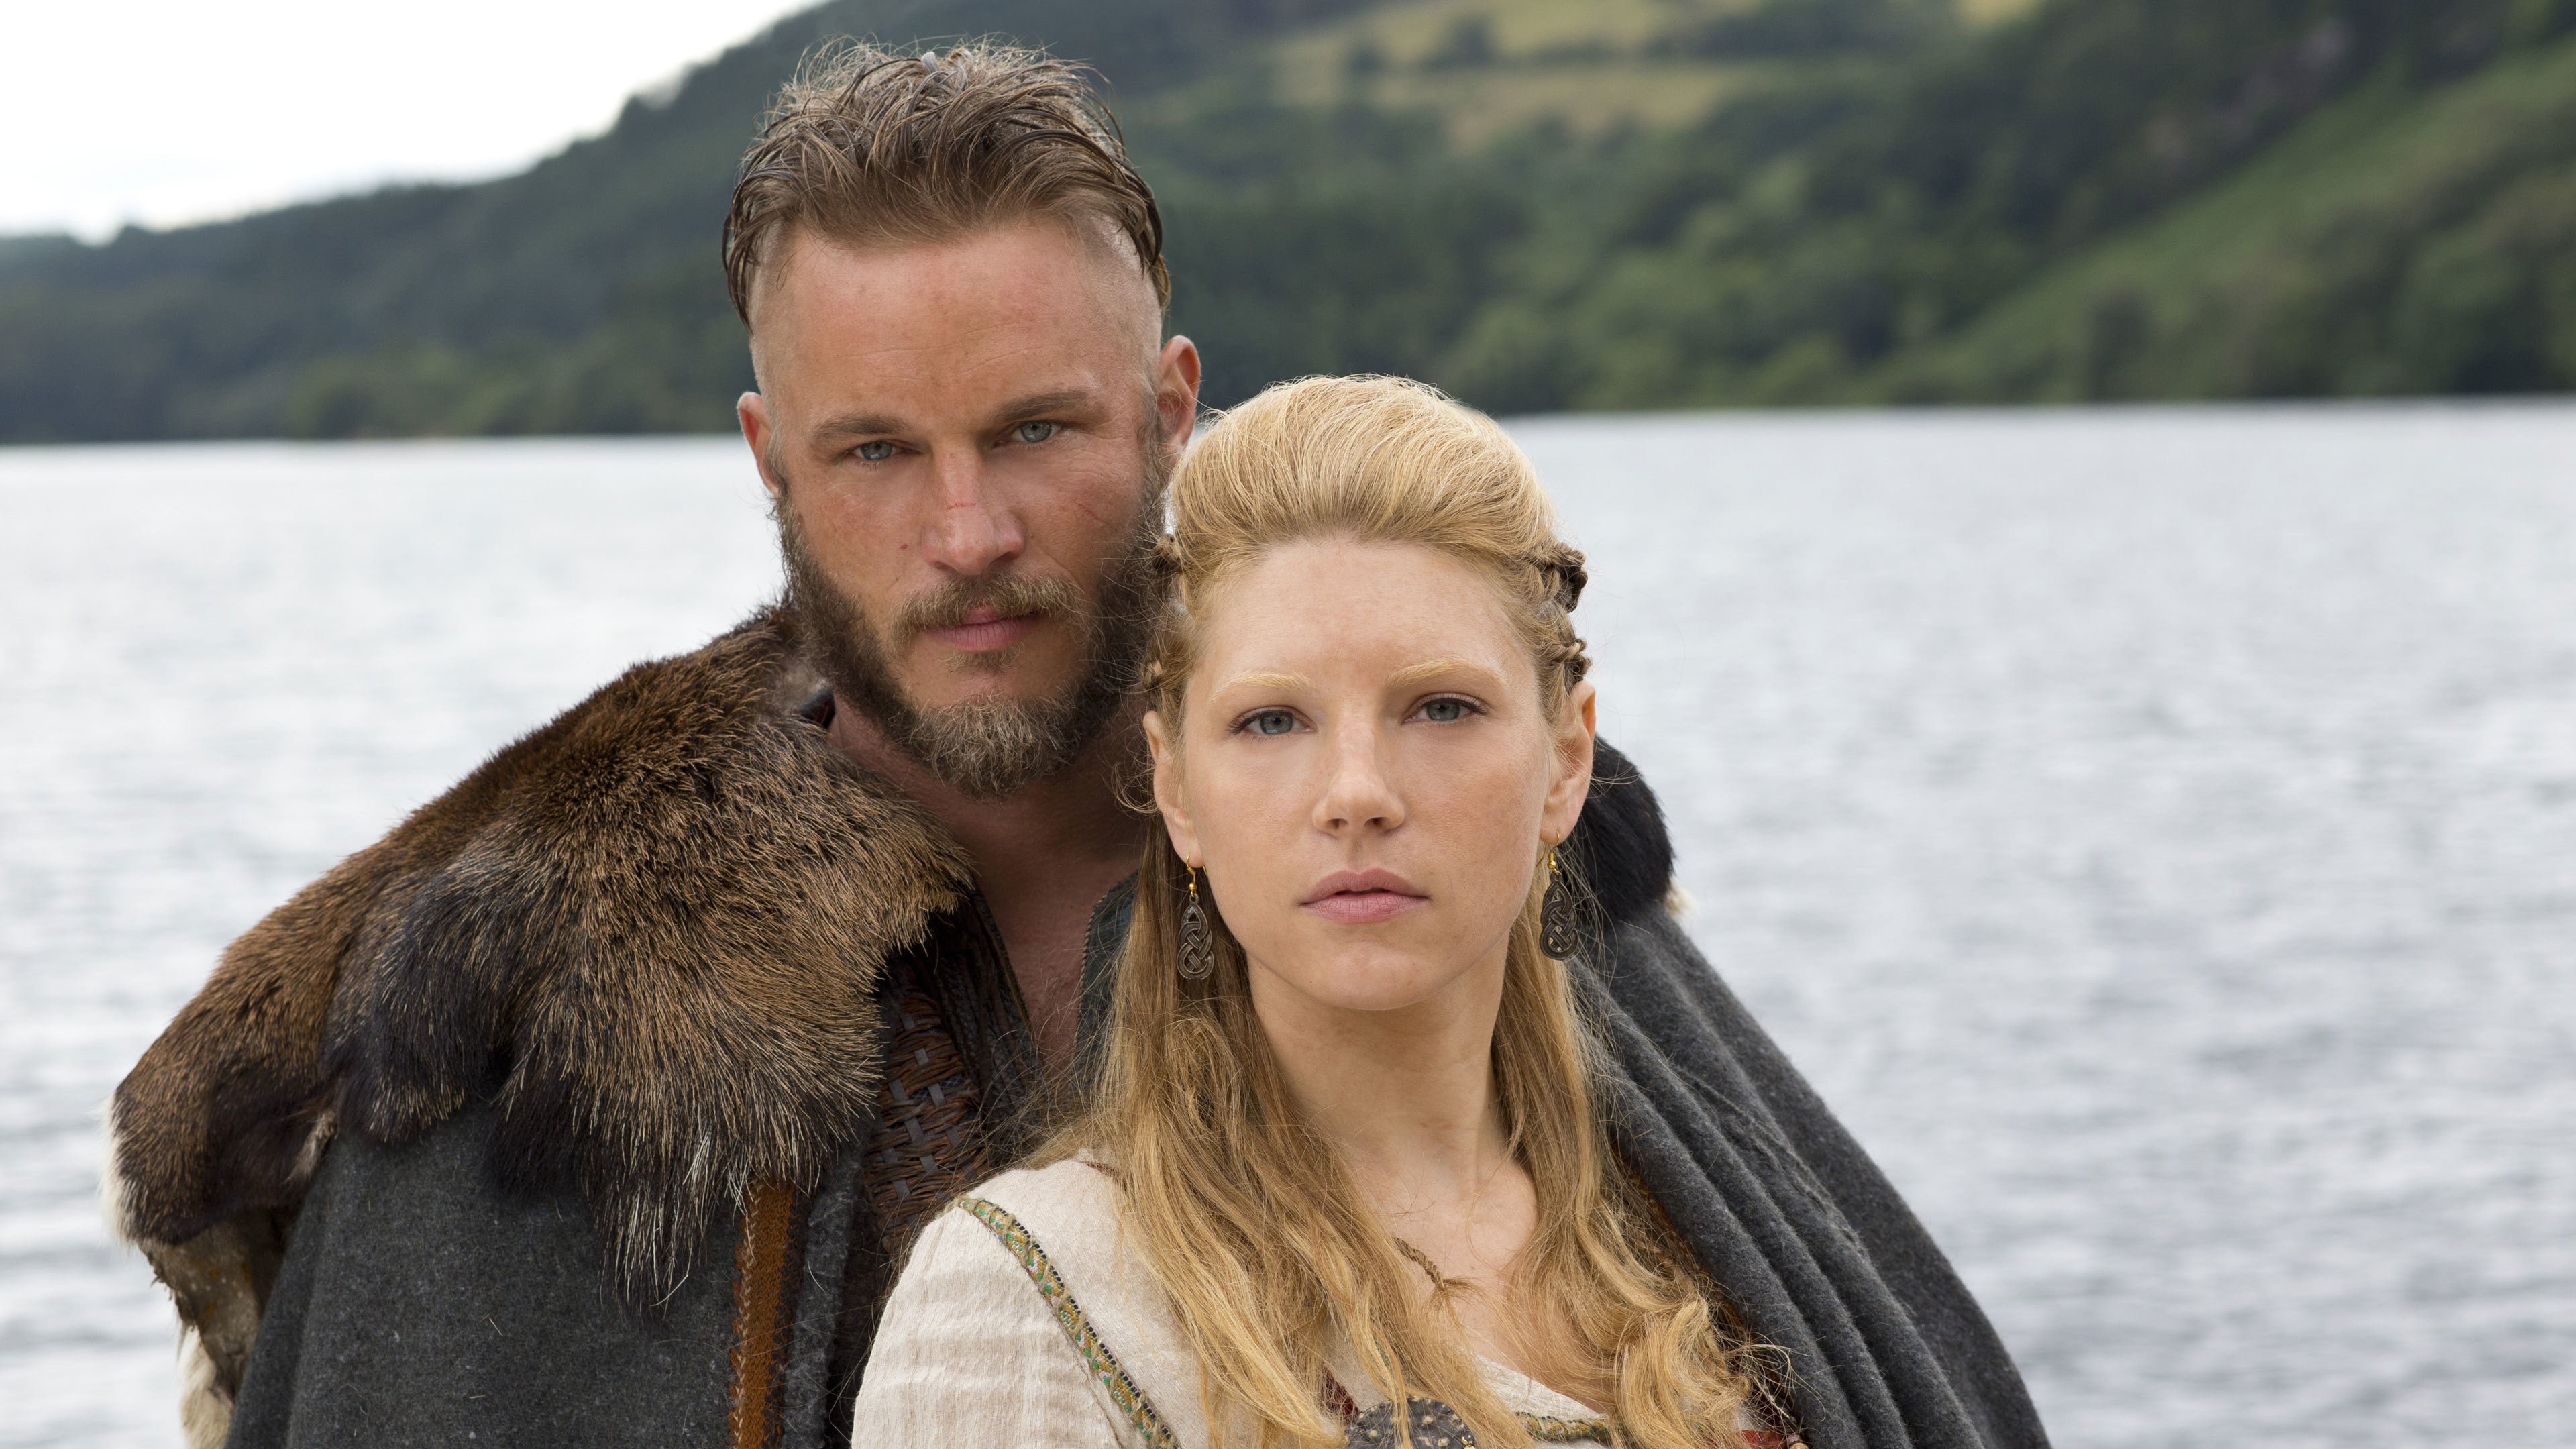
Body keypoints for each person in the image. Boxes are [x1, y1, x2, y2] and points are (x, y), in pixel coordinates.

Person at [104, 41, 2047, 1449]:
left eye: (1038, 430)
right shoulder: (536, 1001)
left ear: (1170, 407)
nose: (968, 535)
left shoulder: (1461, 864)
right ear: (771, 459)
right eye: (878, 452)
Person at [855, 374, 1776, 1449]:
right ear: (1176, 786)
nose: (1356, 793)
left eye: (1441, 707)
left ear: (1568, 759)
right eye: (1272, 720)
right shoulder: (1025, 1303)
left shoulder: (1703, 1238)